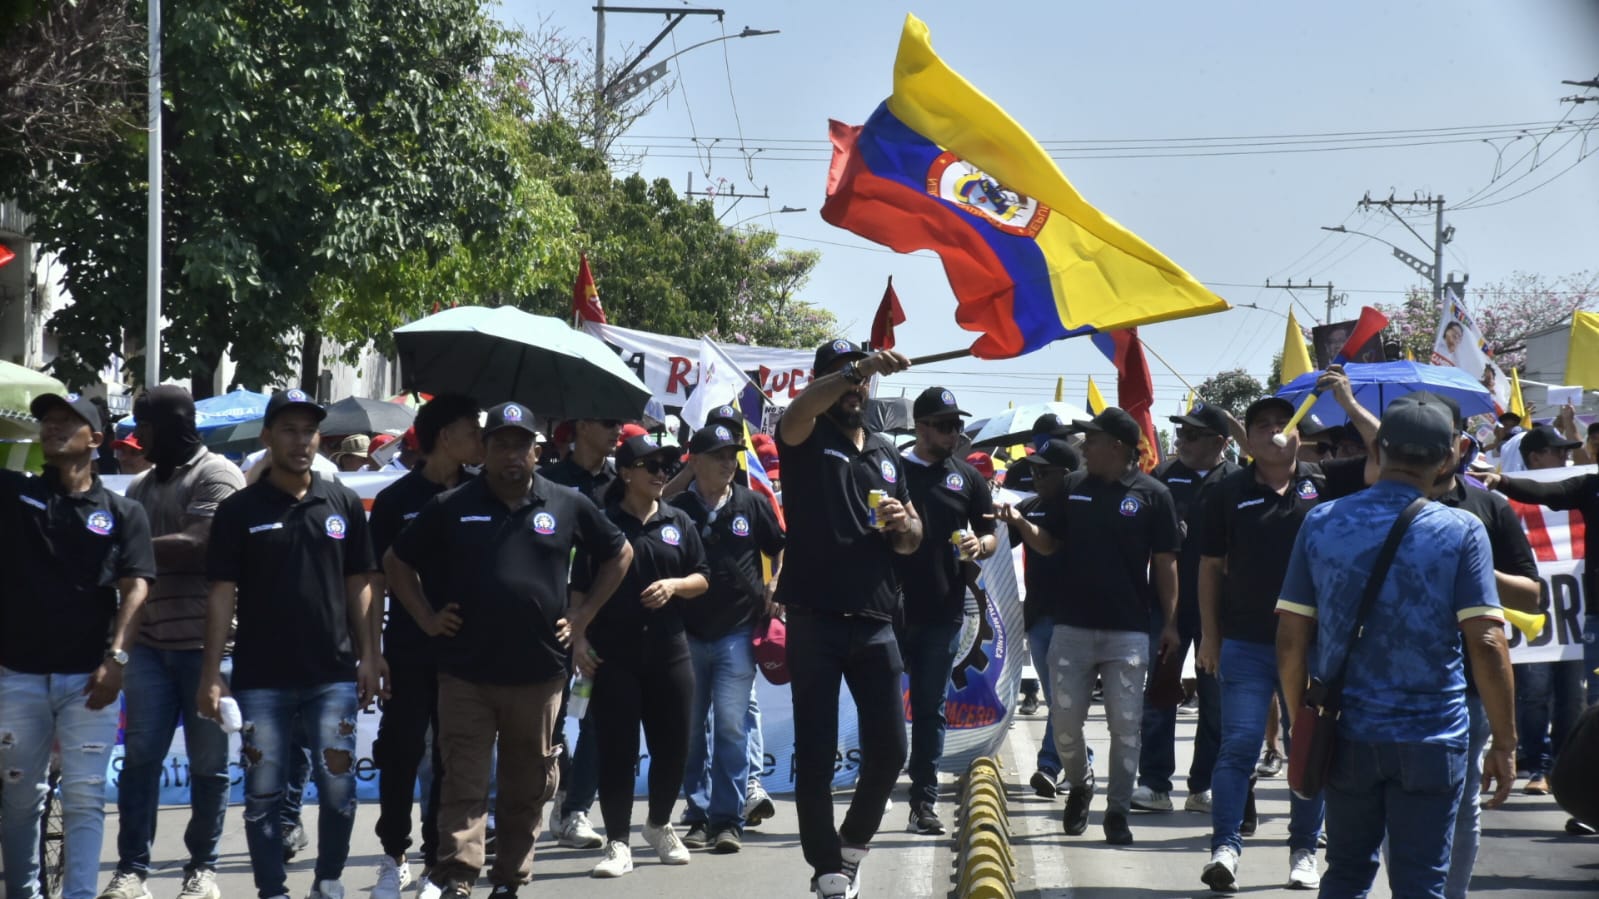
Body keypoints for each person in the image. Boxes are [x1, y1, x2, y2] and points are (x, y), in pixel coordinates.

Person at [385, 401, 632, 899]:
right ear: (486, 450)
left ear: (536, 451)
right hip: (465, 674)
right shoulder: (451, 505)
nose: (512, 454)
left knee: (526, 788)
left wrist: (582, 617)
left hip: (539, 674)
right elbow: (395, 561)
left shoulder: (566, 503)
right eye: (501, 444)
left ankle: (510, 880)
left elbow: (619, 554)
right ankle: (457, 876)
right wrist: (426, 617)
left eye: (521, 444)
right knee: (464, 782)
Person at [1277, 394, 1518, 899]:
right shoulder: (1462, 530)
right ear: (1450, 456)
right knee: (1422, 881)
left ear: (1379, 449)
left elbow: (1291, 640)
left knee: (1345, 872)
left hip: (1347, 734)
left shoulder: (1322, 522)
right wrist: (1505, 742)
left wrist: (1303, 723)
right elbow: (1489, 642)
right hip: (1433, 738)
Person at [198, 389, 382, 899]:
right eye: (289, 430)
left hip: (333, 676)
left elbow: (361, 582)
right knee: (262, 795)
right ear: (267, 437)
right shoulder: (238, 511)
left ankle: (328, 881)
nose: (300, 441)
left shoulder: (341, 500)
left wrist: (371, 653)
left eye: (309, 431)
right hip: (261, 678)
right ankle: (272, 891)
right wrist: (212, 672)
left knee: (340, 791)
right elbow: (220, 594)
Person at [776, 340, 922, 899]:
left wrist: (900, 526)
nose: (855, 386)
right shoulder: (806, 433)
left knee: (891, 751)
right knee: (815, 754)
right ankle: (825, 871)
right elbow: (797, 411)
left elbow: (913, 540)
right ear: (822, 380)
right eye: (841, 376)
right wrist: (854, 368)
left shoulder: (887, 452)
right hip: (814, 619)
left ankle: (851, 849)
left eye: (859, 378)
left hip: (877, 619)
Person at [998, 407, 1179, 846]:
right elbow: (1050, 543)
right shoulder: (1073, 487)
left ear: (1116, 447)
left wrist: (1170, 622)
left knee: (1126, 725)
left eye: (1091, 440)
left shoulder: (1154, 495)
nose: (1084, 447)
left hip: (1128, 632)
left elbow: (1166, 563)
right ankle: (1080, 783)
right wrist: (1022, 523)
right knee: (1064, 721)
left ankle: (1116, 812)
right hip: (1071, 629)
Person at [1, 393, 156, 899]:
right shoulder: (12, 495)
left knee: (87, 798)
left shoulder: (123, 511)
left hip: (90, 680)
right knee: (21, 798)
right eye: (48, 421)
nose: (53, 428)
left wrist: (117, 658)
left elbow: (136, 586)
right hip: (17, 676)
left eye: (68, 422)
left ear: (96, 439)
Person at [101, 387, 246, 899]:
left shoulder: (218, 474)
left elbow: (198, 546)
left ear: (176, 426)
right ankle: (132, 871)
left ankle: (202, 869)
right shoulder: (140, 486)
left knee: (209, 764)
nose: (143, 440)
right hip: (149, 644)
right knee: (140, 759)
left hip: (208, 648)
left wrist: (118, 546)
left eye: (150, 428)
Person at [1400, 393, 1542, 898]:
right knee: (1396, 812)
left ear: (1458, 447)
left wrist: (1472, 564)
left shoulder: (1488, 507)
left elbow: (1531, 590)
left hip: (1467, 688)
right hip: (1390, 686)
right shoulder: (1375, 505)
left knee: (1460, 809)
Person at [573, 435, 710, 877]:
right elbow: (578, 588)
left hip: (670, 651)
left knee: (673, 747)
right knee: (618, 750)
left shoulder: (679, 520)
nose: (660, 473)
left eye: (665, 466)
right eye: (650, 465)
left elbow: (703, 577)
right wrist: (578, 640)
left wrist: (675, 586)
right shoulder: (602, 522)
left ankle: (659, 824)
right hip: (614, 655)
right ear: (626, 472)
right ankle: (617, 843)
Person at [366, 395, 483, 899]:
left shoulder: (484, 495)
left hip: (468, 653)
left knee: (453, 757)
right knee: (401, 750)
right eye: (471, 430)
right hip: (409, 649)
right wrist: (372, 652)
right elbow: (375, 578)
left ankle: (441, 863)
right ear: (443, 438)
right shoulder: (396, 500)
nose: (480, 440)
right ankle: (394, 856)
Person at [670, 425, 786, 853]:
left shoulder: (753, 503)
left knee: (732, 728)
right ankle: (698, 815)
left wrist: (775, 584)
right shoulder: (678, 507)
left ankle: (728, 819)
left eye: (732, 454)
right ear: (695, 460)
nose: (728, 461)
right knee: (691, 729)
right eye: (718, 454)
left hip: (737, 633)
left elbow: (780, 545)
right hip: (687, 633)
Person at [894, 387, 996, 835]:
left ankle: (923, 801)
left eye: (958, 425)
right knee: (879, 706)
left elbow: (990, 534)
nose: (955, 433)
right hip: (888, 611)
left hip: (944, 610)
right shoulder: (890, 468)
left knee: (931, 707)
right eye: (946, 425)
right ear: (921, 427)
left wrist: (981, 544)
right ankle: (875, 784)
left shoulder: (967, 479)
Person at [1131, 402, 1239, 816]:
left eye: (1192, 435)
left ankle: (1203, 785)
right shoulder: (1160, 480)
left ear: (1219, 442)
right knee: (1159, 695)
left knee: (1216, 699)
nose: (1182, 441)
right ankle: (1155, 783)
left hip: (1221, 609)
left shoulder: (1237, 481)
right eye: (1181, 433)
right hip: (1166, 609)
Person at [1482, 425, 1593, 793]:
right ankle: (1548, 769)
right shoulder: (1587, 486)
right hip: (1581, 616)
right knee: (1549, 693)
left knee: (1577, 697)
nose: (1565, 456)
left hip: (1580, 614)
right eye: (1557, 450)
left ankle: (1568, 773)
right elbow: (1547, 492)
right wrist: (1502, 482)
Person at [541, 416, 625, 851]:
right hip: (549, 624)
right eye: (609, 423)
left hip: (601, 623)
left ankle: (576, 811)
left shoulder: (621, 481)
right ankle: (562, 789)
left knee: (593, 718)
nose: (617, 431)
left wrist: (586, 621)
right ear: (581, 427)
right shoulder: (547, 481)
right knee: (549, 724)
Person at [1002, 438, 1081, 798]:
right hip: (1038, 616)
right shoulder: (1030, 506)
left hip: (1074, 618)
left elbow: (1049, 544)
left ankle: (1049, 764)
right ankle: (1083, 758)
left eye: (1043, 471)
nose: (1035, 477)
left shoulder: (1080, 506)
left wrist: (1020, 522)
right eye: (1032, 470)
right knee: (1058, 700)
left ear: (1066, 475)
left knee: (1064, 698)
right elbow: (997, 545)